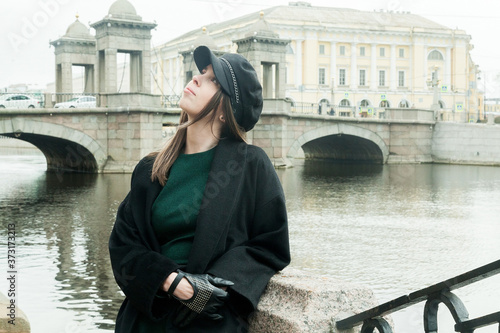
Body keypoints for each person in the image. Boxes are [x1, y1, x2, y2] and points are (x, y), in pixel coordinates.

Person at [109, 45, 291, 332]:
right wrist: (174, 283)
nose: (195, 79)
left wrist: (208, 288)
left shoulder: (250, 164)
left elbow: (270, 246)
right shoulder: (151, 169)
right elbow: (123, 243)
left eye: (212, 80)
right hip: (147, 316)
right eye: (201, 73)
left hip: (210, 321)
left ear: (225, 110)